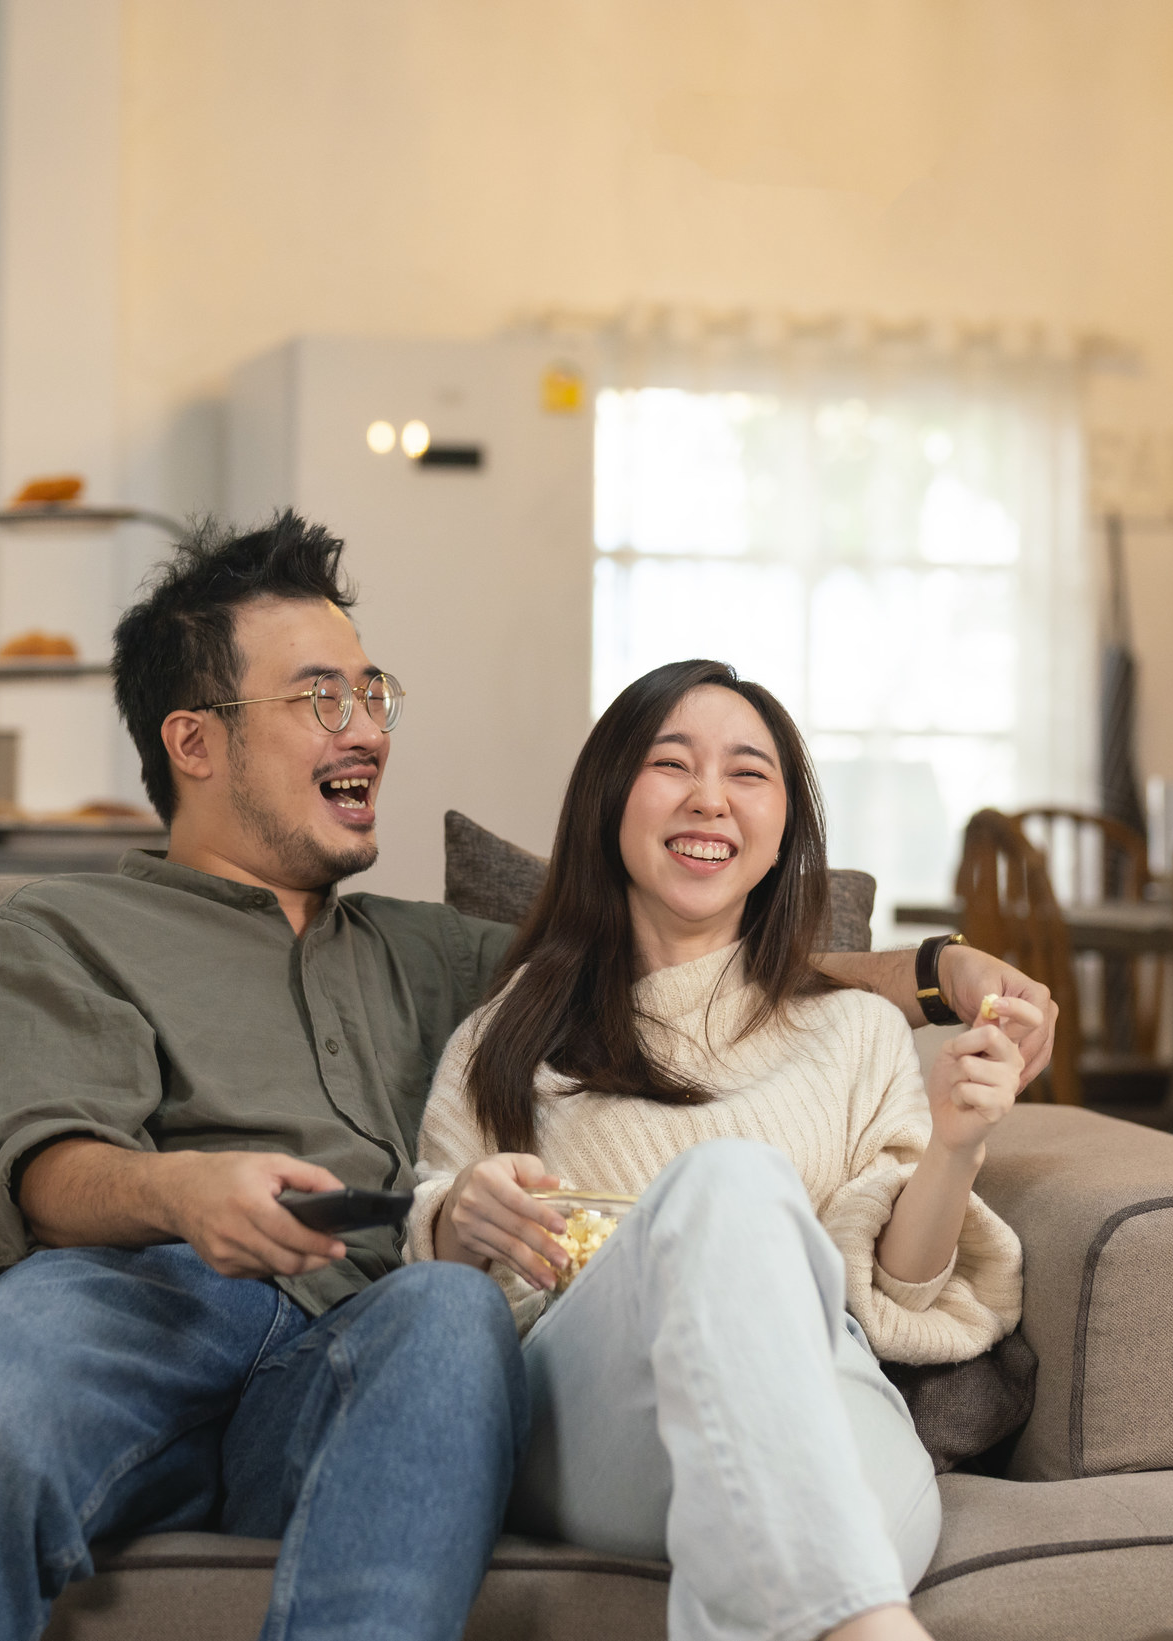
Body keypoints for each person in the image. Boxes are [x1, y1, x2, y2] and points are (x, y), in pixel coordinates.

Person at [0, 516, 1056, 1641]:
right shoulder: (61, 930)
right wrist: (186, 1191)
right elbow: (50, 1173)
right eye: (320, 698)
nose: (368, 727)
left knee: (453, 1312)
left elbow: (699, 948)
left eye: (372, 692)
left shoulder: (443, 951)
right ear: (194, 741)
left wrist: (938, 972)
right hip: (138, 1302)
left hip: (367, 1342)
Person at [408, 658, 1036, 1641]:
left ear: (785, 824)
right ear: (610, 797)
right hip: (600, 1424)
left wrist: (957, 1144)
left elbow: (904, 1295)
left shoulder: (857, 1031)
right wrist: (459, 1215)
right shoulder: (508, 1038)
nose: (711, 799)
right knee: (731, 1181)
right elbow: (435, 1300)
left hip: (831, 1402)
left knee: (821, 1505)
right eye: (673, 764)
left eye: (750, 773)